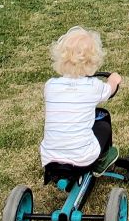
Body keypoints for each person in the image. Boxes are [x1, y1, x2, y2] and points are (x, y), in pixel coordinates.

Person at [40, 27, 123, 172]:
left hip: (49, 159)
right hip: (82, 159)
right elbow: (110, 90)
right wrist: (114, 80)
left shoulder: (50, 85)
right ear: (93, 62)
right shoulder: (93, 86)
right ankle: (102, 160)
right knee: (103, 127)